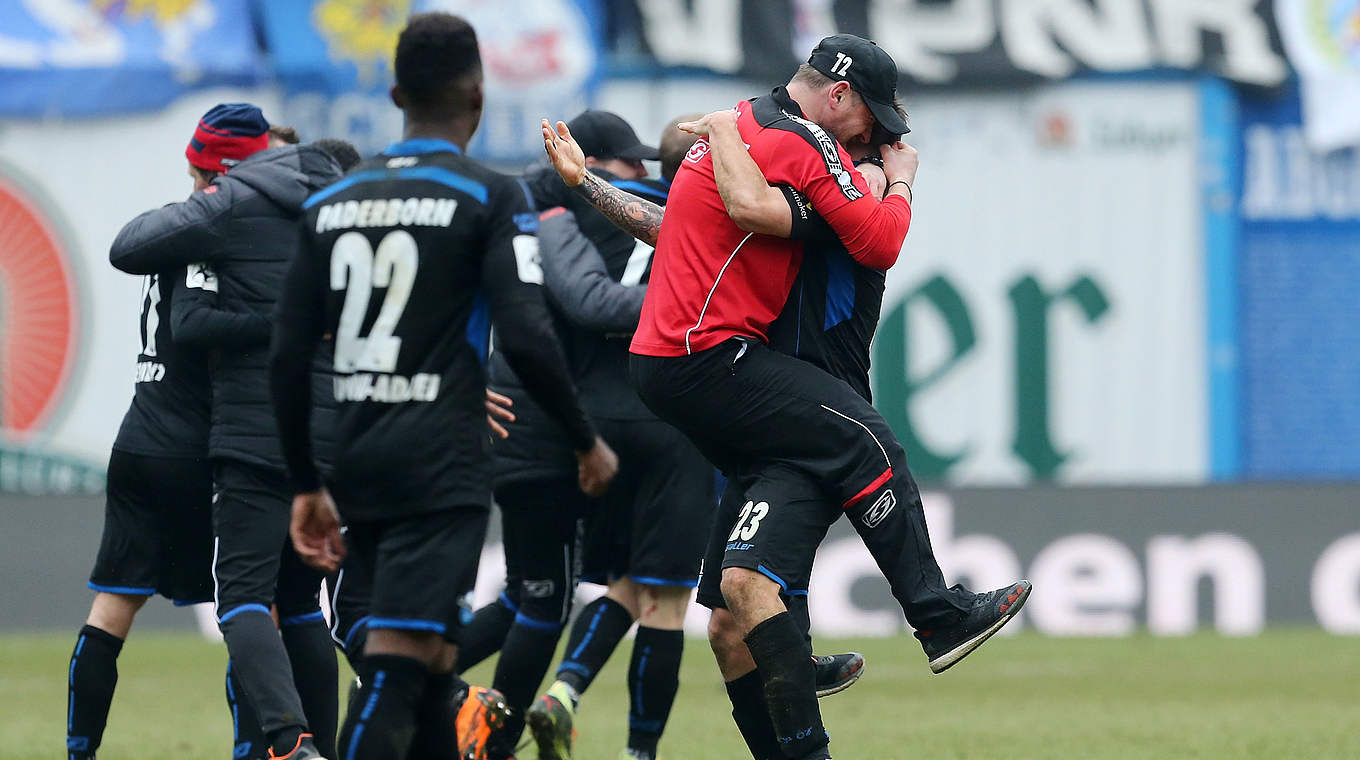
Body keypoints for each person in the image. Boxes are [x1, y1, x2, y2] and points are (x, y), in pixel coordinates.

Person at [541, 34, 1031, 760]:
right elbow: (720, 217)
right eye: (874, 129)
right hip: (766, 396)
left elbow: (726, 218)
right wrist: (895, 178)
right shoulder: (803, 157)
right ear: (838, 98)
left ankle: (796, 657)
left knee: (736, 604)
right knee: (860, 454)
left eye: (882, 144)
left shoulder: (803, 170)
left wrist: (711, 137)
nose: (875, 143)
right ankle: (931, 619)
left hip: (772, 401)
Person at [269, 13, 615, 760]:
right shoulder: (489, 198)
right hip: (441, 461)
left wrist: (305, 480)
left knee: (429, 666)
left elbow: (288, 354)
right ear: (479, 97)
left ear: (396, 93)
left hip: (353, 454)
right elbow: (525, 334)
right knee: (401, 661)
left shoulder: (331, 205)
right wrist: (584, 437)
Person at [109, 104, 358, 760]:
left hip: (255, 431)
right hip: (333, 424)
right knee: (304, 602)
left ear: (211, 169)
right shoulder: (339, 203)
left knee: (242, 598)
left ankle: (288, 741)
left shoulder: (227, 207)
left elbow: (129, 247)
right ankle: (323, 750)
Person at [448, 108, 668, 760]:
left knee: (525, 592)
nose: (639, 176)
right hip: (536, 427)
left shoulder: (515, 210)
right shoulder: (549, 214)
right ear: (589, 163)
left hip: (522, 420)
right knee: (546, 601)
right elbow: (585, 302)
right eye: (630, 164)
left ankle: (408, 682)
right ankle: (487, 738)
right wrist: (693, 303)